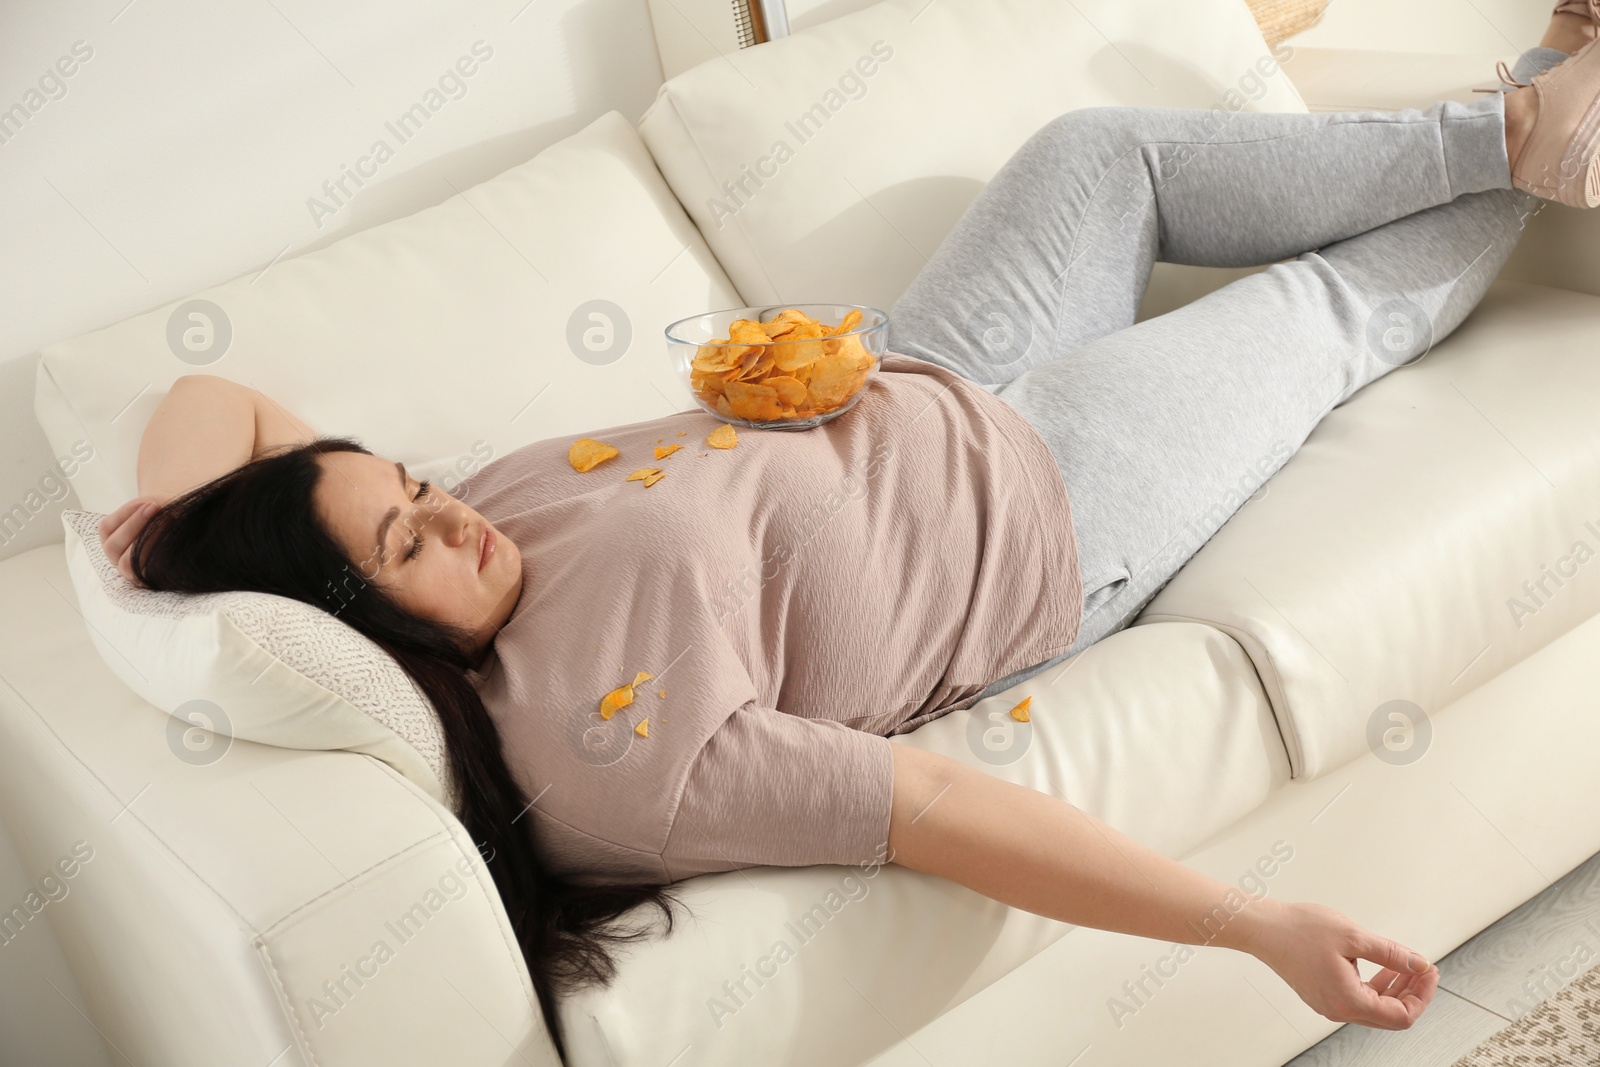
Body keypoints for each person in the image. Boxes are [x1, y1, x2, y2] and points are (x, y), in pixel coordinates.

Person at [96, 4, 1600, 1056]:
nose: (456, 518)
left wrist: (153, 538)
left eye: (416, 490)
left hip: (920, 360)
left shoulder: (464, 522)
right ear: (370, 629)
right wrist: (1254, 925)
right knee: (1320, 316)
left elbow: (213, 394)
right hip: (1050, 510)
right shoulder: (612, 764)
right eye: (411, 543)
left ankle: (1534, 113)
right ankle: (1557, 96)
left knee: (1096, 154)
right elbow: (943, 814)